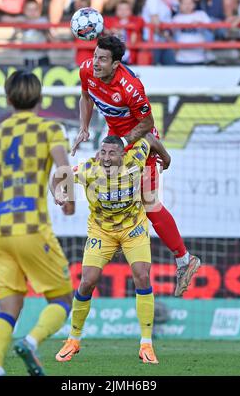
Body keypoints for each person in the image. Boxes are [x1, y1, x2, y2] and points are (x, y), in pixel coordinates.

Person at [72, 35, 200, 298]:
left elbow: (147, 124)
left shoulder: (131, 87)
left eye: (103, 59)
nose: (95, 63)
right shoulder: (87, 70)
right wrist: (84, 128)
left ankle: (184, 259)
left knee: (149, 202)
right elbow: (85, 95)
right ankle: (116, 240)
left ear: (116, 64)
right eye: (95, 56)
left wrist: (131, 142)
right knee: (108, 186)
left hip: (139, 141)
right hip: (116, 141)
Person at [0, 70, 75, 376]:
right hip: (31, 228)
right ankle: (31, 341)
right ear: (40, 99)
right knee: (61, 299)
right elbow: (62, 164)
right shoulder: (48, 129)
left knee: (8, 307)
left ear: (7, 99)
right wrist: (68, 200)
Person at [52, 134, 164, 363]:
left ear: (122, 155)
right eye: (103, 152)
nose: (105, 157)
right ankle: (73, 339)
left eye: (112, 153)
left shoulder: (135, 161)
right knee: (87, 281)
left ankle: (146, 345)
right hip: (101, 231)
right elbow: (60, 175)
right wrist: (59, 191)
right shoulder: (88, 169)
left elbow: (150, 140)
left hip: (133, 228)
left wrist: (165, 156)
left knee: (142, 276)